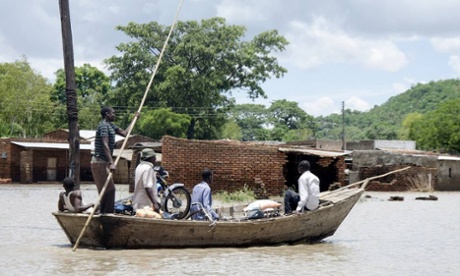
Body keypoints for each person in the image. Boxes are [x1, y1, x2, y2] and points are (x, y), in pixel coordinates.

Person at [91, 106, 135, 214]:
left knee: (107, 190)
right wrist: (111, 162)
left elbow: (125, 133)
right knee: (109, 190)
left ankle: (104, 212)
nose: (114, 115)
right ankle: (106, 213)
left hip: (103, 163)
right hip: (99, 162)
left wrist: (134, 119)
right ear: (107, 114)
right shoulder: (103, 126)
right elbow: (105, 145)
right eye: (113, 113)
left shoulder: (110, 126)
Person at [133, 148, 161, 213]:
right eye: (154, 157)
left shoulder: (139, 166)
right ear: (150, 158)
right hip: (145, 205)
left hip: (138, 203)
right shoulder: (148, 168)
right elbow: (148, 187)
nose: (155, 159)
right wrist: (155, 203)